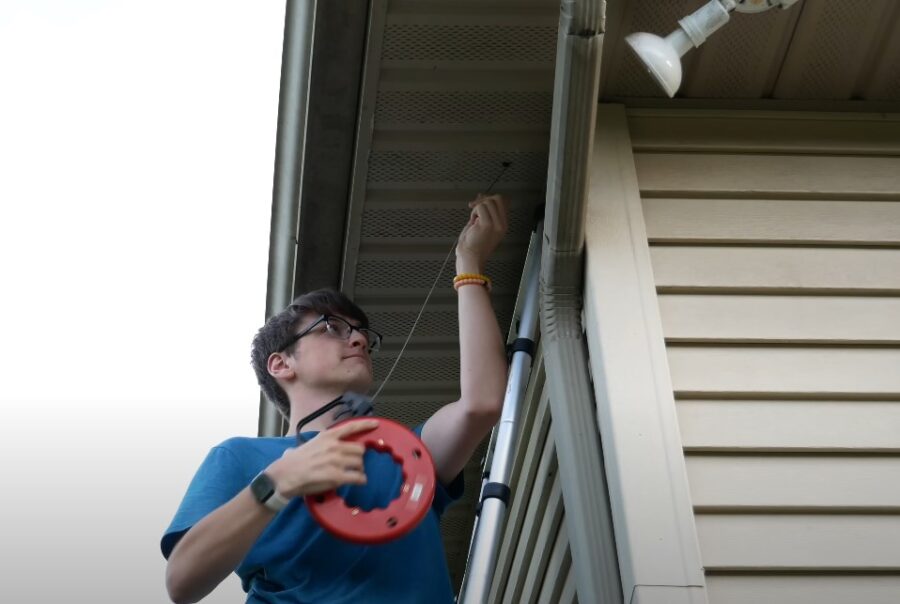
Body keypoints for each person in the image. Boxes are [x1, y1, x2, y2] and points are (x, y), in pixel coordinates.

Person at [161, 194, 511, 603]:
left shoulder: (410, 455)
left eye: (362, 332)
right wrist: (280, 482)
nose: (359, 338)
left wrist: (468, 264)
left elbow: (483, 403)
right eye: (331, 327)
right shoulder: (240, 457)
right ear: (280, 364)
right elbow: (182, 582)